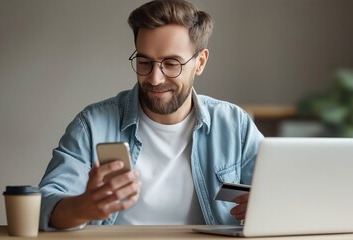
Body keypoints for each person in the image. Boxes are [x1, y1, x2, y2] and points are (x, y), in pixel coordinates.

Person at [38, 0, 263, 231]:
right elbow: (44, 203)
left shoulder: (235, 126)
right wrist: (82, 207)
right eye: (144, 62)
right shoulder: (92, 125)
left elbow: (284, 196)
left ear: (200, 62)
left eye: (171, 63)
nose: (155, 78)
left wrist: (265, 207)